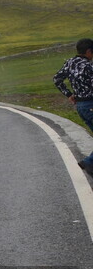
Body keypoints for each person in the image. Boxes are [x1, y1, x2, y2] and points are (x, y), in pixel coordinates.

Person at [53, 38, 93, 176]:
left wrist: (69, 94)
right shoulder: (88, 66)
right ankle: (89, 162)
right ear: (88, 51)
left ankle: (90, 165)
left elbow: (56, 79)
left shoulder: (70, 63)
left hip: (81, 107)